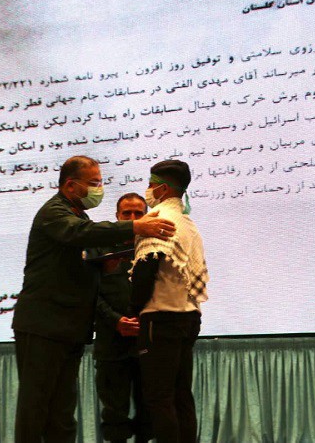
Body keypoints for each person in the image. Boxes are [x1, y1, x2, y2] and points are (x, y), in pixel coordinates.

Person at [12, 155, 176, 443]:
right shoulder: (55, 212)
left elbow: (73, 267)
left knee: (62, 411)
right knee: (35, 407)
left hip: (68, 330)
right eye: (94, 183)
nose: (99, 188)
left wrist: (103, 268)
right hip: (43, 328)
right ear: (70, 186)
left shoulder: (78, 214)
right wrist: (136, 227)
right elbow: (80, 233)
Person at [130, 160, 209, 443]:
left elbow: (145, 270)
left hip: (160, 319)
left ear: (162, 188)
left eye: (151, 185)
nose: (148, 190)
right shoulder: (188, 223)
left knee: (159, 398)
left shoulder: (157, 219)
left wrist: (132, 310)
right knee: (181, 395)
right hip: (188, 318)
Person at [93, 193, 152, 443]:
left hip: (147, 343)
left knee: (149, 414)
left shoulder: (154, 248)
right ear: (117, 216)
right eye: (126, 213)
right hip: (111, 344)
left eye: (138, 213)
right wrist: (115, 320)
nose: (132, 217)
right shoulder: (99, 247)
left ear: (147, 216)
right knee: (114, 415)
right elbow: (89, 294)